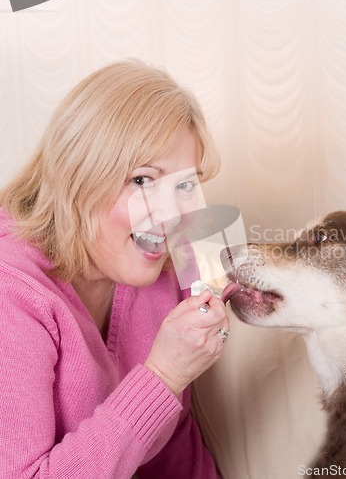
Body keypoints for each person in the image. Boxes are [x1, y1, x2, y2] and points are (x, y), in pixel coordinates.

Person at [0, 60, 230, 478]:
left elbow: (176, 445)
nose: (171, 214)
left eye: (184, 184)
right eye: (142, 180)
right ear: (76, 179)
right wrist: (162, 376)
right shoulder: (11, 293)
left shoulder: (174, 257)